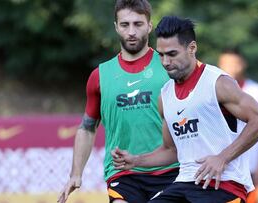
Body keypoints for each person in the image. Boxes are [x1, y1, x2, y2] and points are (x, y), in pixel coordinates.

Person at [112, 16, 258, 203]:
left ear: (192, 48)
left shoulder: (218, 83)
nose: (165, 62)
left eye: (172, 54)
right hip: (184, 184)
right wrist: (136, 161)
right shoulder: (165, 96)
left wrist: (222, 158)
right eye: (161, 55)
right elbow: (171, 150)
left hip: (224, 186)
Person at [58, 1, 179, 203]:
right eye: (125, 25)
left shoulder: (170, 67)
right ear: (116, 27)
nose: (131, 31)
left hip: (170, 170)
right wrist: (76, 173)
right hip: (123, 173)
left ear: (149, 26)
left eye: (138, 24)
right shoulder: (100, 76)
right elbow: (88, 127)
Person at [218, 47, 258, 203]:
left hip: (249, 161)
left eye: (234, 63)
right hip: (223, 162)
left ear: (242, 64)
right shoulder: (212, 89)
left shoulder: (256, 90)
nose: (231, 68)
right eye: (226, 63)